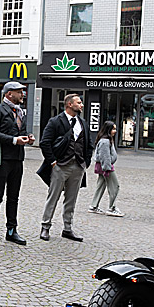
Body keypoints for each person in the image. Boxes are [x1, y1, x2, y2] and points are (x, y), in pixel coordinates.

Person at [0, 81, 34, 245]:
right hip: (2, 159)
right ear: (8, 94)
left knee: (14, 197)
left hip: (17, 159)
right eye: (19, 92)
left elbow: (20, 132)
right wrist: (14, 140)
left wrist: (28, 138)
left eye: (22, 92)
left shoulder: (20, 112)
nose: (22, 94)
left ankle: (11, 230)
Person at [38, 93, 91, 242]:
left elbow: (89, 144)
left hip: (78, 166)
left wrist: (86, 162)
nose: (81, 105)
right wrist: (53, 162)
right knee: (53, 197)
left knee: (71, 200)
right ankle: (45, 226)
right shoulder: (55, 121)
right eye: (78, 103)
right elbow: (45, 142)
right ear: (69, 104)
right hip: (60, 165)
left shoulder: (83, 123)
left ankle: (67, 228)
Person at [88, 121, 122, 217]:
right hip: (106, 167)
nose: (115, 131)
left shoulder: (106, 140)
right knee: (115, 186)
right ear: (108, 130)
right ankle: (112, 207)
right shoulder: (105, 141)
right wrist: (107, 169)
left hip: (104, 166)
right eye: (113, 129)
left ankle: (93, 206)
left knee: (101, 185)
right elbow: (105, 157)